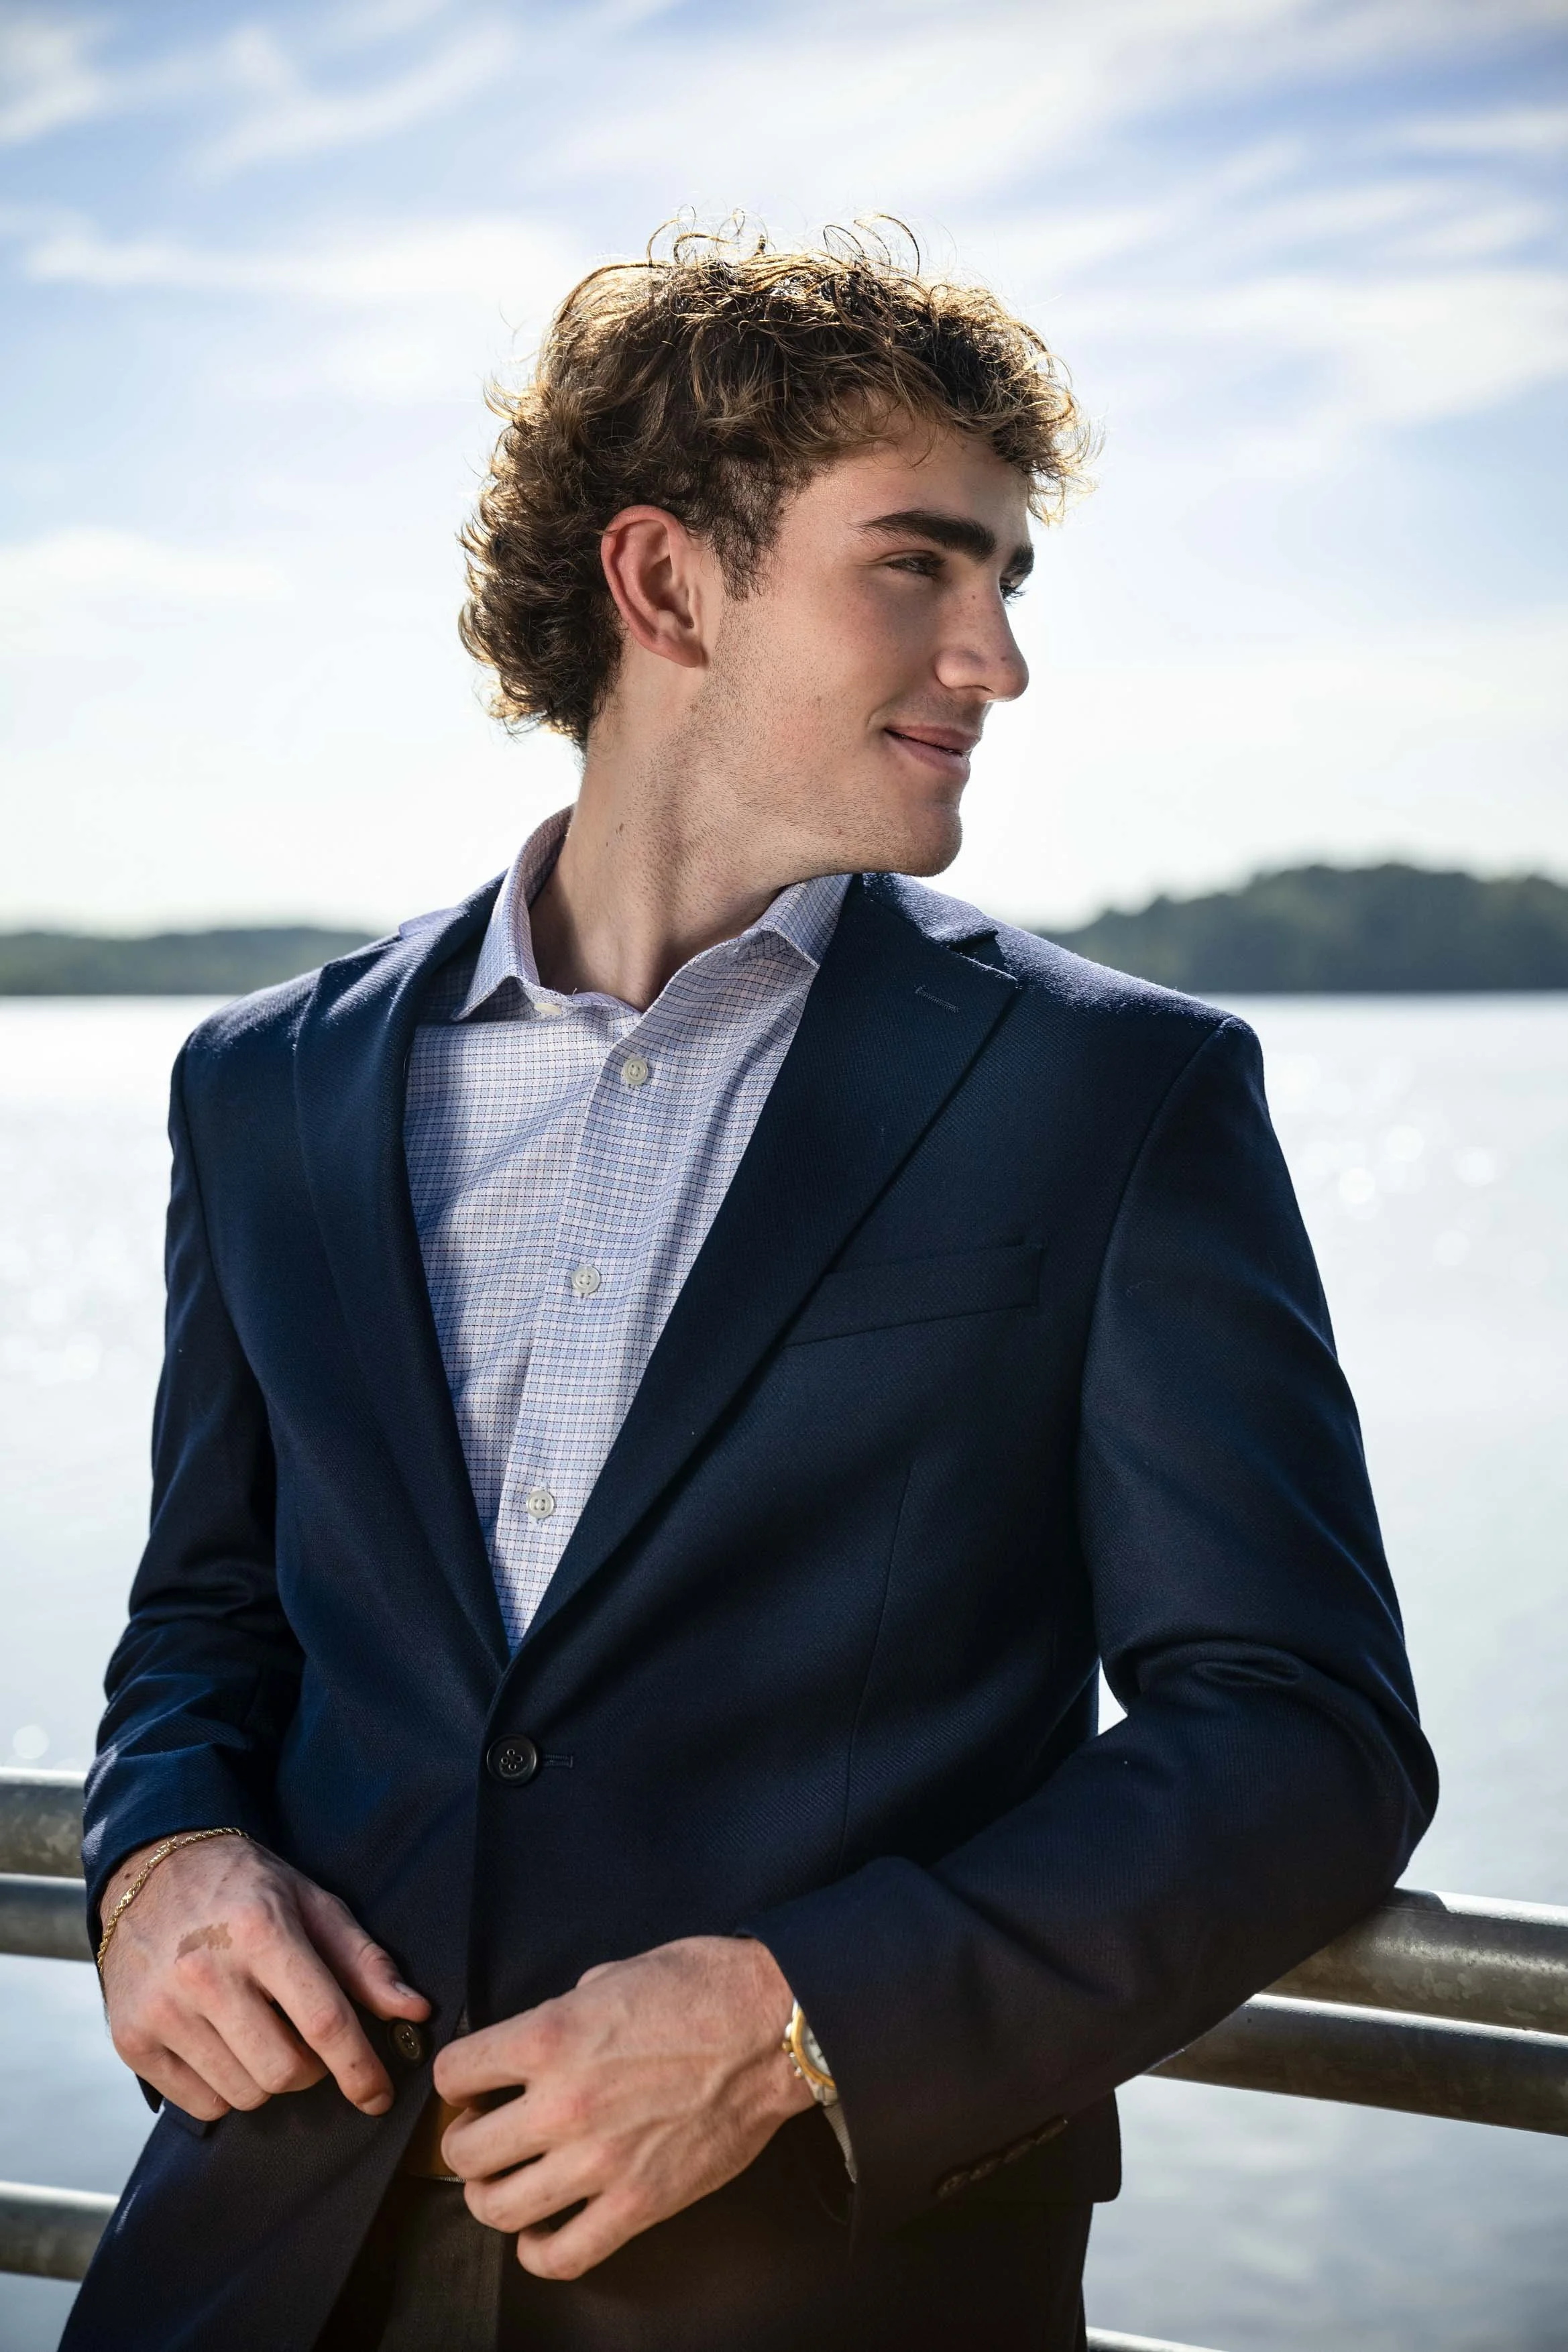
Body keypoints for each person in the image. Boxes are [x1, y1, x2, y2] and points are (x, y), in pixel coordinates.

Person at [66, 227, 1437, 2352]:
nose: (995, 658)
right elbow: (208, 1619)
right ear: (668, 583)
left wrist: (800, 2018)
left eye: (1007, 580)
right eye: (919, 564)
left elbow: (1302, 1739)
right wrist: (155, 1866)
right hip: (249, 2270)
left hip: (808, 2288)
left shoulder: (1115, 1096)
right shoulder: (266, 1086)